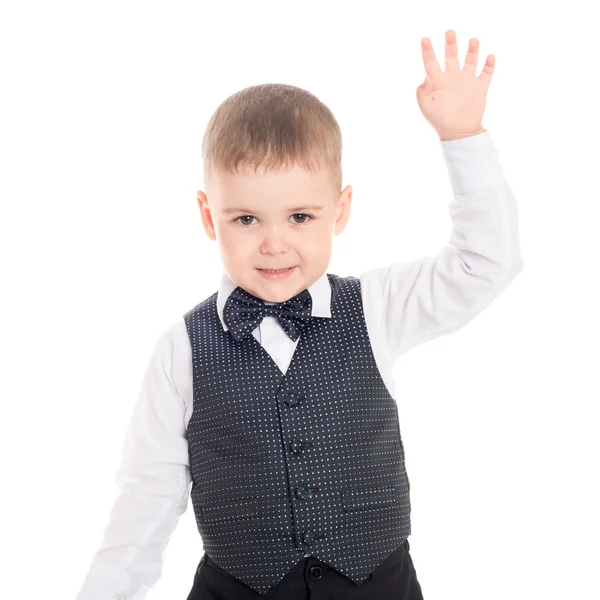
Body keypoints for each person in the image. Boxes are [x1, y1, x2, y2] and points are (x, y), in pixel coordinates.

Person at [75, 29, 523, 600]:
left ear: (341, 210)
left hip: (379, 585)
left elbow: (487, 263)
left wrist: (464, 138)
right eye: (246, 219)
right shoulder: (181, 349)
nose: (274, 244)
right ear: (209, 218)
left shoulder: (380, 308)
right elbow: (146, 496)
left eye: (300, 217)